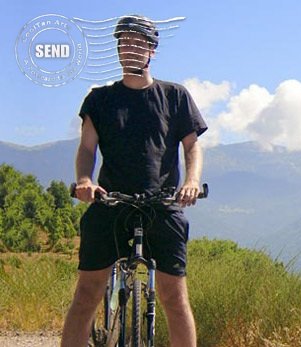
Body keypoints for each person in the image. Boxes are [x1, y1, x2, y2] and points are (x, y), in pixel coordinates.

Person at [61, 14, 207, 347]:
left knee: (174, 296)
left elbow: (192, 147)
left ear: (152, 49)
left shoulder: (175, 96)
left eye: (137, 42)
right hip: (110, 201)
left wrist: (192, 181)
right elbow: (86, 148)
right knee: (86, 293)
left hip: (162, 202)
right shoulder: (100, 100)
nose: (129, 47)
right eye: (123, 42)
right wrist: (84, 180)